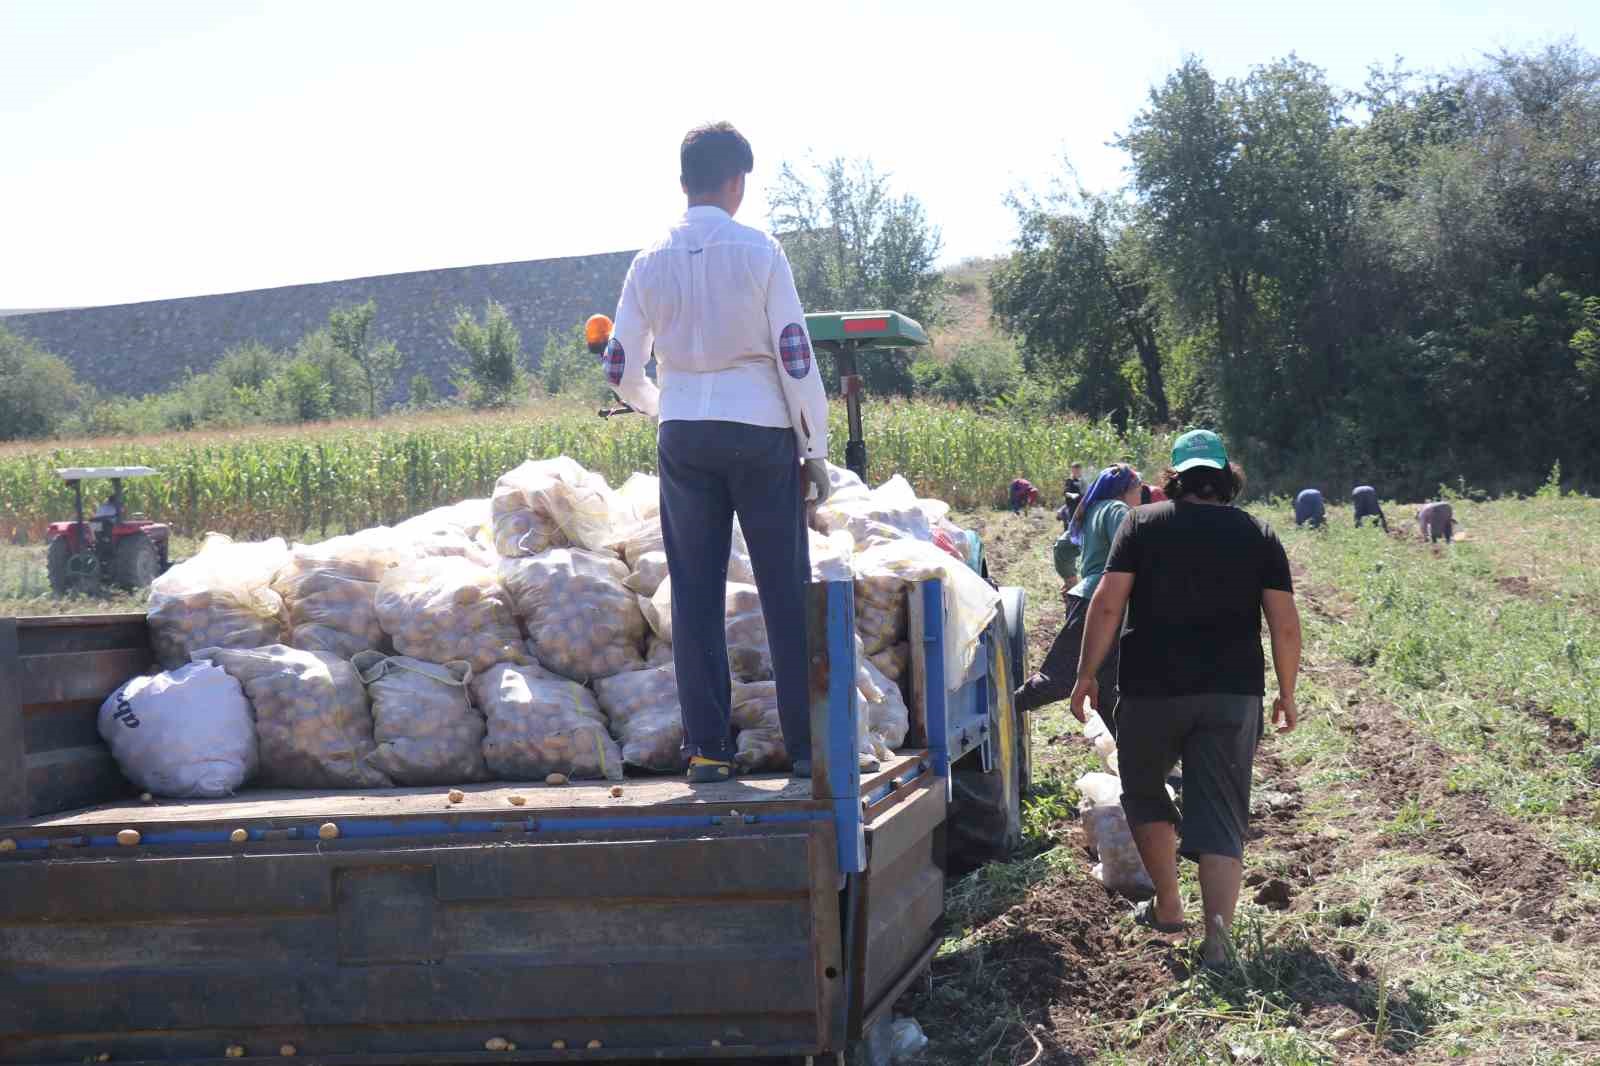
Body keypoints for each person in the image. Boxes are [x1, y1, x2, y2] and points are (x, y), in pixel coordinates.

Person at [604, 121, 830, 784]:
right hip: (760, 430)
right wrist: (812, 444)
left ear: (684, 183)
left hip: (684, 435)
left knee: (695, 593)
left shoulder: (649, 260)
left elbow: (619, 365)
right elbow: (794, 353)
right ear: (737, 183)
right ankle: (806, 746)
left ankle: (708, 750)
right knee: (784, 590)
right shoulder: (760, 252)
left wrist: (660, 403)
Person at [1069, 430, 1301, 966]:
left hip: (1154, 690)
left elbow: (1107, 605)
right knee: (1221, 810)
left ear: (1175, 477)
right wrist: (1287, 691)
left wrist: (1086, 675)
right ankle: (1218, 942)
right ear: (1226, 478)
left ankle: (1169, 908)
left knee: (1146, 791)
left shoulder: (1143, 524)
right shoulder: (1258, 535)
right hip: (1232, 692)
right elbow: (1284, 625)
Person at [1013, 464, 1143, 725]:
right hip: (1106, 599)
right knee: (1062, 677)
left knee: (1108, 685)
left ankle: (1125, 753)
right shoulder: (1118, 510)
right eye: (1138, 490)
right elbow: (1133, 548)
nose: (1140, 497)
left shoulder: (1091, 510)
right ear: (1127, 491)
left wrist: (1071, 578)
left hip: (1085, 595)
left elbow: (1062, 547)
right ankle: (1002, 708)